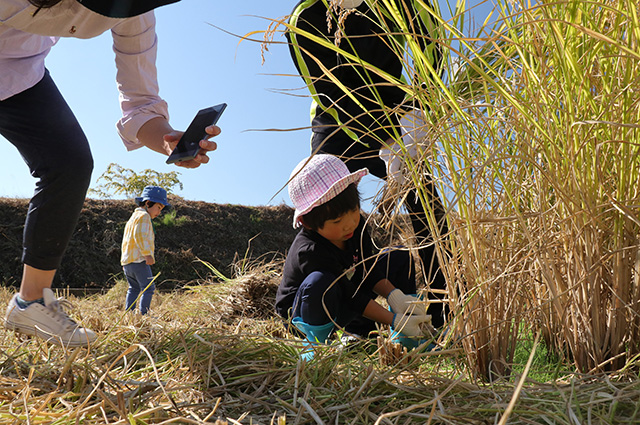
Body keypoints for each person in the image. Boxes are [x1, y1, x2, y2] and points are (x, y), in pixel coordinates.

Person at [2, 0, 220, 348]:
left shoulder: (137, 9)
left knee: (69, 163)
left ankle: (31, 303)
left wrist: (167, 140)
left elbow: (140, 104)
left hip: (20, 74)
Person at [286, 0, 450, 329]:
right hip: (336, 122)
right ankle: (317, 314)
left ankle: (437, 317)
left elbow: (432, 52)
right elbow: (331, 94)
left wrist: (417, 114)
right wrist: (386, 139)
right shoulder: (306, 17)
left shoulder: (406, 4)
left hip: (399, 112)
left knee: (428, 212)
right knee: (330, 216)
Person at [275, 154, 434, 356]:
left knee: (399, 258)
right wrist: (393, 320)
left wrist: (396, 297)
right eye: (337, 221)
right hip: (310, 311)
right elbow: (349, 296)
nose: (350, 224)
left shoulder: (355, 229)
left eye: (354, 210)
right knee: (320, 282)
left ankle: (409, 337)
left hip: (347, 294)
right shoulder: (310, 250)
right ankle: (314, 346)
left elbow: (368, 270)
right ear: (308, 223)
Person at [121, 186, 169, 315]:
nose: (159, 212)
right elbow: (140, 236)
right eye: (158, 207)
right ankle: (144, 315)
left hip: (128, 261)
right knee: (148, 288)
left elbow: (128, 238)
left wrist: (125, 260)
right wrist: (148, 254)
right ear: (148, 203)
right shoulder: (144, 216)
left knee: (133, 288)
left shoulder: (133, 217)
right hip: (139, 260)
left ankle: (128, 314)